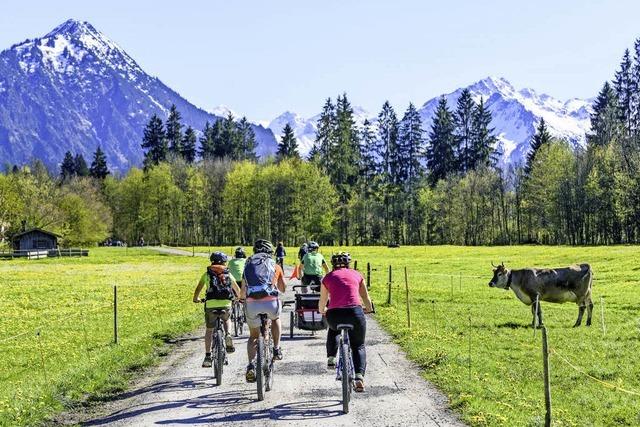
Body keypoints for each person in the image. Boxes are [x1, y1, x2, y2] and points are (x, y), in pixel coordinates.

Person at [319, 252, 373, 392]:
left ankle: (331, 358)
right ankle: (359, 377)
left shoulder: (328, 277)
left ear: (333, 264)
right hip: (355, 313)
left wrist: (322, 310)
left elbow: (322, 302)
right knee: (359, 345)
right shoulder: (357, 274)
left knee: (333, 329)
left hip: (335, 314)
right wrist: (369, 309)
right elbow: (366, 297)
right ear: (348, 264)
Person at [241, 239, 287, 382]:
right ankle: (276, 348)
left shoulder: (248, 265)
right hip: (270, 303)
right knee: (275, 318)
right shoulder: (275, 265)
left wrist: (242, 299)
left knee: (253, 336)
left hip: (252, 304)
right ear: (270, 252)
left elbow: (243, 291)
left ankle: (251, 366)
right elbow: (283, 288)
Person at [192, 251, 241, 368]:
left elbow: (198, 289)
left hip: (210, 305)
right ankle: (228, 334)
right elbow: (237, 290)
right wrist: (238, 298)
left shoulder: (207, 274)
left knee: (209, 330)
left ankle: (208, 356)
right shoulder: (228, 274)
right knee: (227, 319)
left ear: (212, 261)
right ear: (224, 262)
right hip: (226, 303)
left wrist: (196, 299)